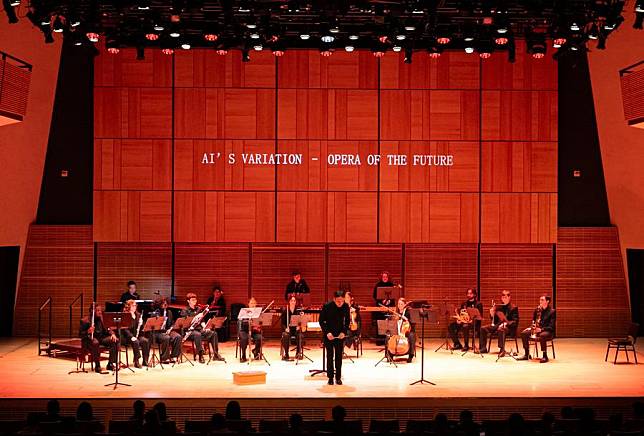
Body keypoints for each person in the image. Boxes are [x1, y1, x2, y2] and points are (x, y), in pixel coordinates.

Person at [180, 292, 224, 363]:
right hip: (190, 331)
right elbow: (185, 324)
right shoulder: (184, 311)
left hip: (199, 329)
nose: (195, 301)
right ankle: (200, 355)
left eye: (195, 300)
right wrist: (195, 318)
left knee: (214, 333)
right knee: (198, 335)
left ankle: (215, 354)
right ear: (188, 301)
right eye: (193, 300)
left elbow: (202, 320)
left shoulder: (198, 309)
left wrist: (205, 327)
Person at [319, 290, 350, 385]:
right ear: (334, 299)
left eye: (342, 301)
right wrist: (327, 332)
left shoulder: (345, 306)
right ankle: (330, 377)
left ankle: (338, 377)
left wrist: (344, 332)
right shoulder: (327, 306)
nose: (340, 303)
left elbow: (347, 321)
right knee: (329, 356)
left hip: (340, 335)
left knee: (338, 357)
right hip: (329, 335)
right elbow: (321, 321)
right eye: (338, 301)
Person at [479, 290, 519, 357]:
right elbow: (494, 321)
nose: (504, 299)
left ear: (509, 297)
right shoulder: (499, 307)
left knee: (501, 329)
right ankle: (483, 348)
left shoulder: (514, 308)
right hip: (498, 325)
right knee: (483, 328)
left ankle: (502, 350)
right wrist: (492, 315)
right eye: (503, 297)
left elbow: (515, 321)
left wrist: (506, 323)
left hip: (509, 328)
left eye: (505, 297)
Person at [79, 303, 118, 373]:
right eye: (97, 310)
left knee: (114, 340)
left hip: (102, 338)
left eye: (100, 310)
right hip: (90, 339)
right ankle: (97, 365)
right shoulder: (85, 320)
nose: (100, 312)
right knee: (95, 343)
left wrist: (112, 334)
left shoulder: (102, 318)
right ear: (92, 311)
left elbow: (108, 328)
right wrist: (88, 331)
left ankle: (110, 364)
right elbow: (80, 335)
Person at [518, 295, 556, 363]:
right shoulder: (537, 310)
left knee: (543, 335)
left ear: (547, 301)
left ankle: (545, 356)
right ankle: (527, 354)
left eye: (542, 300)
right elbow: (534, 321)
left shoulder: (552, 311)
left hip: (547, 331)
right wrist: (531, 328)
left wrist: (541, 329)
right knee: (524, 333)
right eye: (540, 300)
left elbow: (552, 326)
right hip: (537, 329)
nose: (540, 301)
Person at [151, 297, 182, 364]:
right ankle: (164, 358)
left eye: (166, 303)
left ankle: (174, 356)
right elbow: (153, 325)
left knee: (178, 336)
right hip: (158, 332)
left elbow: (172, 323)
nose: (165, 304)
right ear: (160, 304)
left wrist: (170, 329)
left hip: (167, 331)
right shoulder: (156, 313)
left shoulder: (169, 312)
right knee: (166, 338)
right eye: (163, 303)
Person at [122, 300, 150, 368]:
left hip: (137, 335)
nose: (135, 307)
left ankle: (145, 360)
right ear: (129, 307)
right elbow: (124, 329)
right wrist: (131, 336)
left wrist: (142, 324)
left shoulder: (138, 315)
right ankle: (136, 361)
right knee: (136, 342)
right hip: (127, 337)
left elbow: (141, 328)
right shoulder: (125, 315)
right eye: (133, 306)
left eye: (135, 306)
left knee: (145, 341)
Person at [391, 297, 416, 363]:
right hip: (397, 330)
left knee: (411, 336)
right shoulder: (396, 312)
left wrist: (407, 319)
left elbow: (413, 322)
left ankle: (411, 355)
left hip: (406, 331)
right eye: (398, 304)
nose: (399, 305)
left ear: (405, 304)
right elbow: (393, 323)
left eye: (401, 304)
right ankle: (390, 354)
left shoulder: (408, 312)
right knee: (388, 335)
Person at [238, 297, 263, 362]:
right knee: (244, 339)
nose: (253, 304)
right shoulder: (244, 311)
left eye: (254, 303)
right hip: (244, 330)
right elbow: (243, 324)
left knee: (259, 337)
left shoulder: (258, 313)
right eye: (251, 303)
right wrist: (251, 324)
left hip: (254, 331)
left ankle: (255, 351)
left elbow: (260, 322)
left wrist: (259, 326)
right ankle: (243, 355)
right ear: (248, 304)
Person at [281, 295, 304, 360]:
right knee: (285, 336)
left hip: (296, 330)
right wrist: (285, 328)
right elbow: (282, 323)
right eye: (291, 301)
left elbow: (300, 321)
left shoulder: (298, 310)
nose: (293, 302)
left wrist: (299, 326)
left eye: (294, 301)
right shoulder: (285, 311)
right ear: (289, 301)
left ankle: (298, 353)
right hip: (288, 330)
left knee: (301, 336)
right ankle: (286, 354)